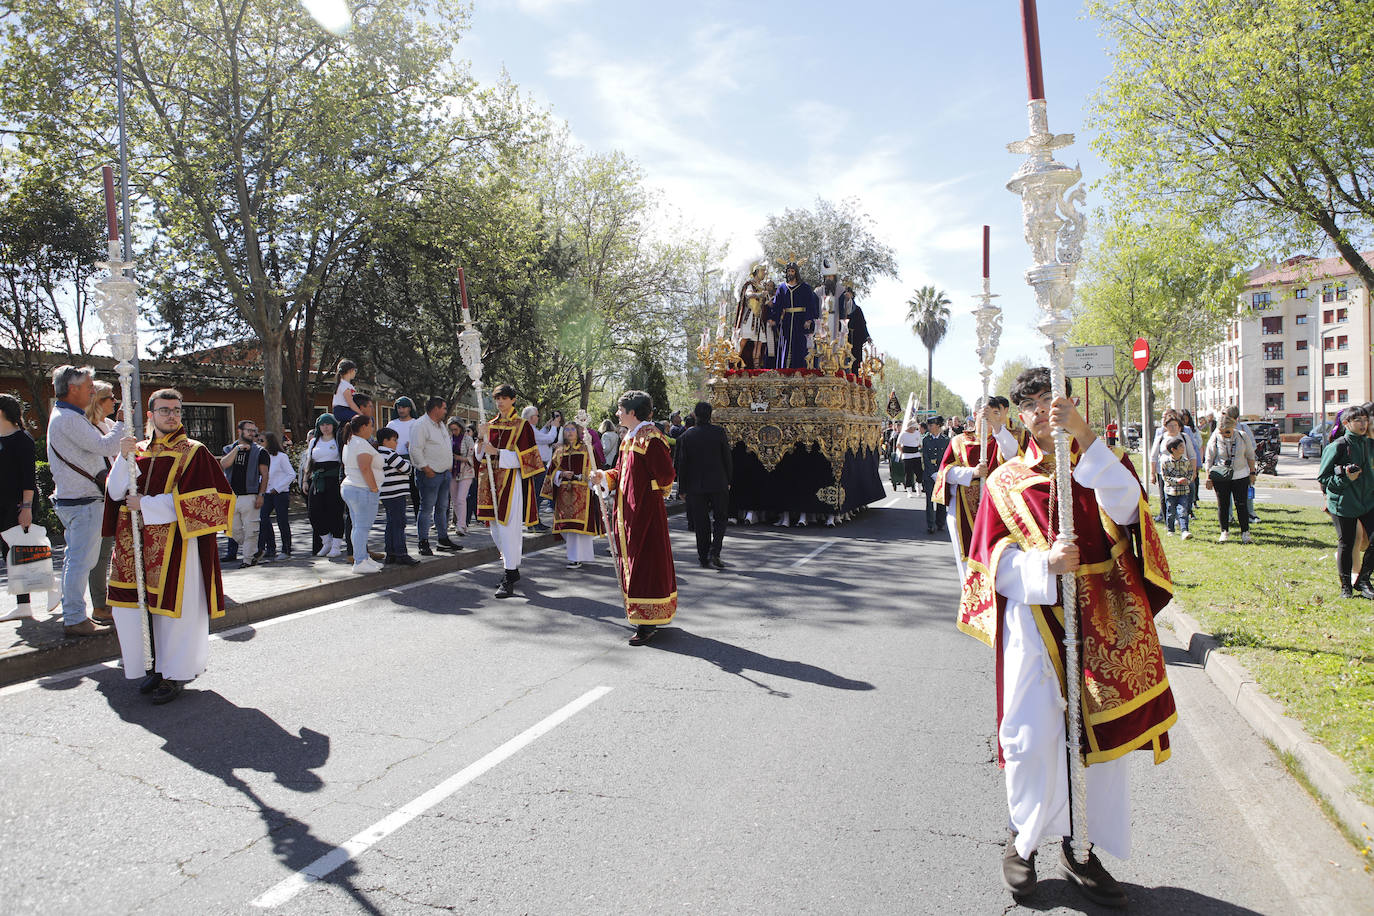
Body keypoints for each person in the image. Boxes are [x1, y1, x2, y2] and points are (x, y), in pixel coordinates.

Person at [960, 367, 1175, 909]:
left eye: (1047, 399)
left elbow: (1128, 510)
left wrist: (1085, 438)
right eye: (1027, 402)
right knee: (1030, 739)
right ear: (1020, 414)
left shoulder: (1103, 463)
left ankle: (1082, 849)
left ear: (1068, 403)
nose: (1038, 410)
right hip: (1034, 626)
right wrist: (1043, 565)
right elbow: (990, 561)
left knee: (1099, 748)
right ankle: (1024, 840)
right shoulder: (1005, 480)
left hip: (1101, 622)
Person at [105, 388, 234, 705]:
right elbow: (114, 490)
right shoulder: (137, 451)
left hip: (178, 544)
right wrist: (123, 458)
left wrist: (147, 505)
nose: (172, 415)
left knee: (175, 612)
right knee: (138, 608)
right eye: (164, 410)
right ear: (150, 415)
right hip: (136, 542)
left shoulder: (194, 452)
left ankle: (175, 673)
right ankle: (155, 666)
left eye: (176, 410)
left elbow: (208, 501)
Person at [591, 389, 677, 646]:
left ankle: (647, 621)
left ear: (631, 412)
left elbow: (666, 476)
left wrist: (646, 495)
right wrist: (604, 477)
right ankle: (643, 616)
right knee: (634, 560)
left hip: (645, 512)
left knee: (644, 561)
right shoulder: (630, 437)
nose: (617, 414)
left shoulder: (650, 438)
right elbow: (621, 471)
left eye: (620, 410)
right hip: (628, 510)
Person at [46, 364, 125, 637]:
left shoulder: (67, 416)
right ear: (73, 388)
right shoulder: (68, 419)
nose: (93, 392)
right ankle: (75, 617)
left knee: (79, 560)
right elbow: (105, 447)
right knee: (81, 562)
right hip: (82, 501)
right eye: (90, 388)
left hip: (79, 500)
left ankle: (75, 615)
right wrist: (123, 423)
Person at [934, 398, 1020, 581]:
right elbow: (945, 472)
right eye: (985, 416)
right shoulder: (959, 441)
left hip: (1000, 507)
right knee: (968, 561)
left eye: (994, 414)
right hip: (963, 509)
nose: (989, 420)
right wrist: (971, 473)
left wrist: (998, 427)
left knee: (999, 556)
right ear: (974, 415)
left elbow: (1013, 455)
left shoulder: (1004, 438)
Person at [478, 384, 543, 598]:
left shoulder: (522, 426)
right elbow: (479, 457)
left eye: (504, 398)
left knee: (508, 528)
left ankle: (510, 572)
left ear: (513, 400)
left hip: (511, 482)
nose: (500, 402)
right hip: (489, 481)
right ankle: (510, 565)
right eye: (497, 398)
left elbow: (530, 460)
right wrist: (481, 439)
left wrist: (497, 452)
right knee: (494, 528)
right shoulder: (489, 425)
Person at [1317, 405, 1374, 598]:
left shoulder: (1369, 444)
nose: (1363, 424)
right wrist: (1345, 478)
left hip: (1367, 502)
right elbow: (1323, 478)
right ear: (1346, 423)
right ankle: (1346, 587)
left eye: (1365, 420)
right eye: (1358, 420)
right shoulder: (1338, 446)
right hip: (1343, 504)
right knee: (1347, 544)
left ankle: (1363, 580)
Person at [675, 400, 732, 570]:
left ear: (695, 415)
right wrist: (728, 480)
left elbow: (681, 465)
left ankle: (703, 555)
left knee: (701, 522)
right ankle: (715, 551)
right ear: (710, 415)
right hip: (718, 482)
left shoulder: (686, 436)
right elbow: (727, 458)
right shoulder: (719, 432)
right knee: (720, 519)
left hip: (695, 486)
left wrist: (682, 488)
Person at [541, 423, 604, 569]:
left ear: (578, 432)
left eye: (572, 429)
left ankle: (577, 557)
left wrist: (591, 480)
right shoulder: (559, 451)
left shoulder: (587, 449)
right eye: (567, 430)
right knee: (568, 527)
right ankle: (576, 556)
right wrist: (561, 474)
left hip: (582, 491)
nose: (569, 432)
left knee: (579, 528)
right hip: (564, 492)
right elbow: (551, 473)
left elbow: (595, 468)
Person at [0, 394, 37, 619]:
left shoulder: (23, 439)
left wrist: (26, 508)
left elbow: (28, 478)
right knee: (11, 554)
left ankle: (24, 605)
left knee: (16, 554)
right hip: (2, 504)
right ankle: (49, 586)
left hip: (17, 505)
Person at [85, 381, 119, 625]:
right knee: (99, 553)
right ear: (97, 401)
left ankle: (112, 598)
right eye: (110, 397)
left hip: (114, 493)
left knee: (111, 550)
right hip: (97, 495)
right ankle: (99, 604)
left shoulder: (108, 425)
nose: (115, 401)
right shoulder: (86, 427)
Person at [411, 396, 460, 556]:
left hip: (444, 473)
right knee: (426, 508)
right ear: (435, 409)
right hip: (430, 474)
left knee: (442, 508)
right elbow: (415, 449)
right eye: (444, 408)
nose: (446, 412)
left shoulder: (440, 426)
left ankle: (442, 539)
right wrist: (426, 468)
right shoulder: (421, 425)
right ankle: (423, 541)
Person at [218, 419, 270, 568]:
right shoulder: (229, 449)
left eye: (254, 431)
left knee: (251, 530)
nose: (252, 433)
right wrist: (237, 449)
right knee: (233, 530)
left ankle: (247, 560)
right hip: (232, 496)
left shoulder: (261, 452)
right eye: (249, 430)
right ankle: (254, 552)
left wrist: (261, 495)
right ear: (240, 431)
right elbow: (224, 464)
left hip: (251, 496)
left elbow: (265, 475)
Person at [340, 414, 384, 573]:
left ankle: (363, 558)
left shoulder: (352, 442)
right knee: (362, 527)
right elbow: (365, 468)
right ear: (364, 427)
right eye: (371, 426)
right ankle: (360, 561)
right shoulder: (360, 444)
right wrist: (373, 488)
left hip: (353, 488)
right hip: (362, 489)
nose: (372, 429)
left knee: (358, 526)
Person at [1204, 415, 1256, 544]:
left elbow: (1250, 455)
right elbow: (1209, 458)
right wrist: (1208, 477)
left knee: (1241, 504)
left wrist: (1252, 472)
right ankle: (1224, 531)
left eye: (1227, 431)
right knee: (1223, 504)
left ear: (1233, 427)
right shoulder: (1215, 437)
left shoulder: (1242, 436)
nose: (1225, 434)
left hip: (1240, 474)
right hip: (1221, 475)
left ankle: (1245, 532)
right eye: (1222, 432)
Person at [300, 414, 346, 558]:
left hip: (334, 479)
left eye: (328, 424)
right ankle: (326, 541)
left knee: (335, 511)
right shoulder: (314, 441)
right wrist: (305, 480)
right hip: (317, 478)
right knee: (314, 512)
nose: (325, 427)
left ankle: (337, 544)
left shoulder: (338, 440)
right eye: (322, 425)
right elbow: (309, 462)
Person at [375, 428, 418, 566]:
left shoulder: (378, 454)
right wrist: (407, 466)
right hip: (396, 492)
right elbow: (407, 468)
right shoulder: (390, 453)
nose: (396, 443)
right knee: (399, 523)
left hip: (386, 492)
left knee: (391, 523)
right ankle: (401, 553)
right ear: (386, 441)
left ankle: (391, 553)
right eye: (394, 440)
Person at [1147, 410, 1198, 522]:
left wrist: (1194, 471)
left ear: (1179, 427)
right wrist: (1152, 473)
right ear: (1165, 426)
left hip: (1183, 472)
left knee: (1184, 497)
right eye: (1170, 425)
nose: (1173, 428)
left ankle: (1182, 521)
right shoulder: (1161, 438)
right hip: (1164, 473)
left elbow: (1192, 455)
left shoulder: (1184, 437)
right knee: (1165, 497)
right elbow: (1153, 456)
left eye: (1175, 425)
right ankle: (1168, 522)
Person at [769, 261, 819, 369]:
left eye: (792, 271)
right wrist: (774, 318)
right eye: (788, 271)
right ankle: (784, 369)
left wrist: (808, 319)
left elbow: (810, 304)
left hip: (800, 320)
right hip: (787, 320)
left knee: (799, 345)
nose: (790, 273)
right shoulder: (782, 288)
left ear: (796, 272)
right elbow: (777, 305)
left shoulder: (804, 287)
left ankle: (800, 370)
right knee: (786, 345)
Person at [258, 432, 295, 560]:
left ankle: (286, 549)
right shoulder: (261, 456)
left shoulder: (281, 457)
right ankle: (270, 548)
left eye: (262, 440)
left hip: (280, 493)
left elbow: (291, 474)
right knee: (263, 518)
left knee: (282, 520)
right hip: (266, 493)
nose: (259, 443)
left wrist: (277, 488)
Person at [524, 405, 559, 527]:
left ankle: (534, 521)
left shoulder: (531, 428)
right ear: (532, 417)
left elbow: (541, 435)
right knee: (538, 494)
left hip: (538, 465)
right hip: (537, 466)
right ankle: (534, 522)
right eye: (537, 416)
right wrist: (554, 427)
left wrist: (547, 426)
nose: (539, 418)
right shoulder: (530, 429)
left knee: (538, 493)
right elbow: (549, 438)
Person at [733, 261, 772, 370]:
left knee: (759, 342)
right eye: (762, 271)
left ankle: (756, 366)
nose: (764, 273)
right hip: (749, 317)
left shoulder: (763, 287)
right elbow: (748, 295)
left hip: (758, 318)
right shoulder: (750, 284)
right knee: (744, 339)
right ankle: (735, 362)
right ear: (757, 272)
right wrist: (759, 294)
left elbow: (768, 303)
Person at [386, 396, 420, 512]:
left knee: (416, 494)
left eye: (404, 407)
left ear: (410, 408)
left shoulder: (416, 423)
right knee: (396, 495)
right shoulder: (391, 424)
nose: (401, 410)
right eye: (399, 407)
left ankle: (418, 523)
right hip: (394, 461)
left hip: (412, 461)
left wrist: (413, 445)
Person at [1160, 436, 1195, 539]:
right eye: (1180, 446)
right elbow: (1165, 477)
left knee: (1183, 510)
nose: (1183, 448)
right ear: (1173, 449)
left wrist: (1187, 481)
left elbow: (1190, 473)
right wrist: (1176, 481)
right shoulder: (1165, 462)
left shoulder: (1186, 461)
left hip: (1183, 491)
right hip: (1170, 491)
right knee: (1171, 511)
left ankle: (1185, 530)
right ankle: (1170, 529)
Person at [921, 416, 949, 535]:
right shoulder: (926, 440)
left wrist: (940, 472)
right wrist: (932, 473)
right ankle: (930, 525)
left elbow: (947, 458)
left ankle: (940, 523)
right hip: (929, 474)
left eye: (931, 425)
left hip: (941, 473)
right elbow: (926, 458)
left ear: (938, 426)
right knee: (929, 500)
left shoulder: (946, 440)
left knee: (941, 500)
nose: (929, 428)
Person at [448, 418, 476, 537]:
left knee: (461, 498)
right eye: (452, 429)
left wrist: (458, 458)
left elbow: (472, 458)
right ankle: (460, 523)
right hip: (452, 471)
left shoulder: (468, 439)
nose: (454, 431)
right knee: (454, 500)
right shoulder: (449, 439)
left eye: (456, 429)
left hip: (466, 471)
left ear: (461, 427)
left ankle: (461, 524)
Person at [331, 359, 362, 424]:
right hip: (343, 410)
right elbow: (350, 403)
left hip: (343, 410)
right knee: (366, 419)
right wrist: (361, 413)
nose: (355, 372)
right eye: (355, 370)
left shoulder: (344, 384)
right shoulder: (345, 386)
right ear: (350, 371)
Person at [897, 418, 923, 495]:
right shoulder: (903, 434)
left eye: (915, 428)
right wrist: (903, 451)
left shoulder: (917, 433)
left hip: (916, 454)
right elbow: (898, 445)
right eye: (913, 428)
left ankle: (918, 487)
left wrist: (917, 446)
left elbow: (920, 444)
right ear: (909, 427)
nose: (914, 429)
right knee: (908, 474)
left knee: (919, 473)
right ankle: (909, 491)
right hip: (907, 456)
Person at [846, 291, 869, 375]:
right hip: (844, 338)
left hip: (855, 339)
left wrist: (867, 336)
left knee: (855, 360)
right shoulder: (841, 308)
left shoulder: (857, 309)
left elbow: (862, 324)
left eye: (848, 293)